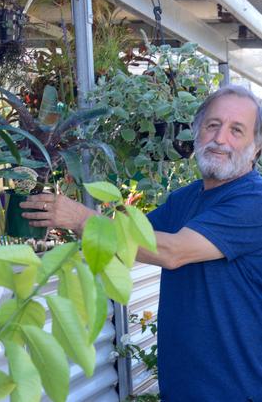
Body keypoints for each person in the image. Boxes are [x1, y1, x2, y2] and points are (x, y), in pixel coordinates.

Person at [20, 84, 262, 401]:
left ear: (256, 146)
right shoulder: (185, 199)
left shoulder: (254, 202)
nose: (220, 139)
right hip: (183, 390)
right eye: (212, 125)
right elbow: (124, 244)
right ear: (196, 131)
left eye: (236, 130)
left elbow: (172, 251)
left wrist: (80, 218)